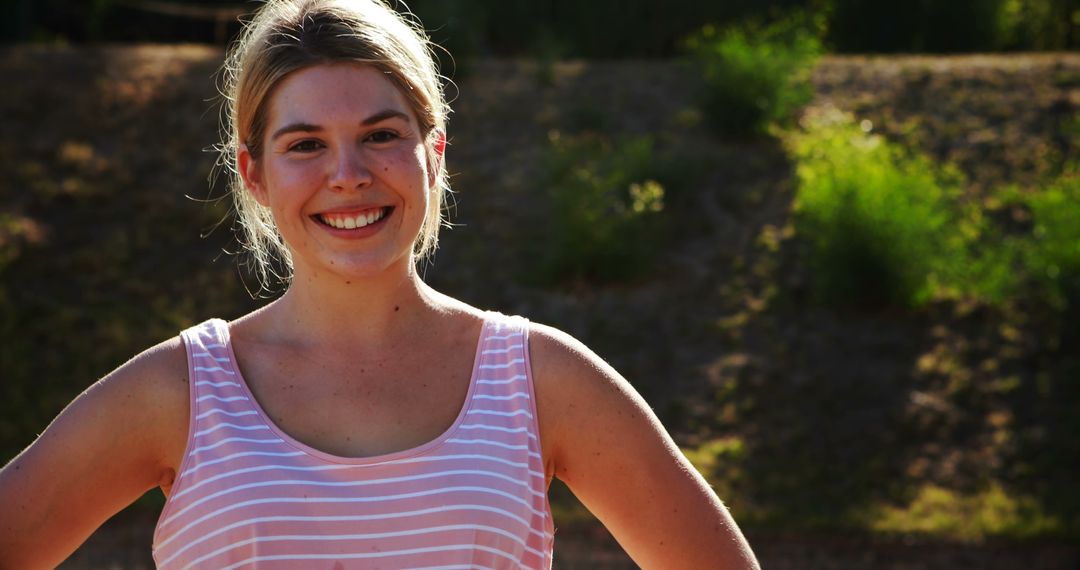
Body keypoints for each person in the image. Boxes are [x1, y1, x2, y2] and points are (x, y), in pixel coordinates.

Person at [0, 0, 760, 568]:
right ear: (255, 174)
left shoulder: (539, 379)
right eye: (306, 144)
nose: (349, 175)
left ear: (434, 153)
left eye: (381, 135)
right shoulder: (180, 392)